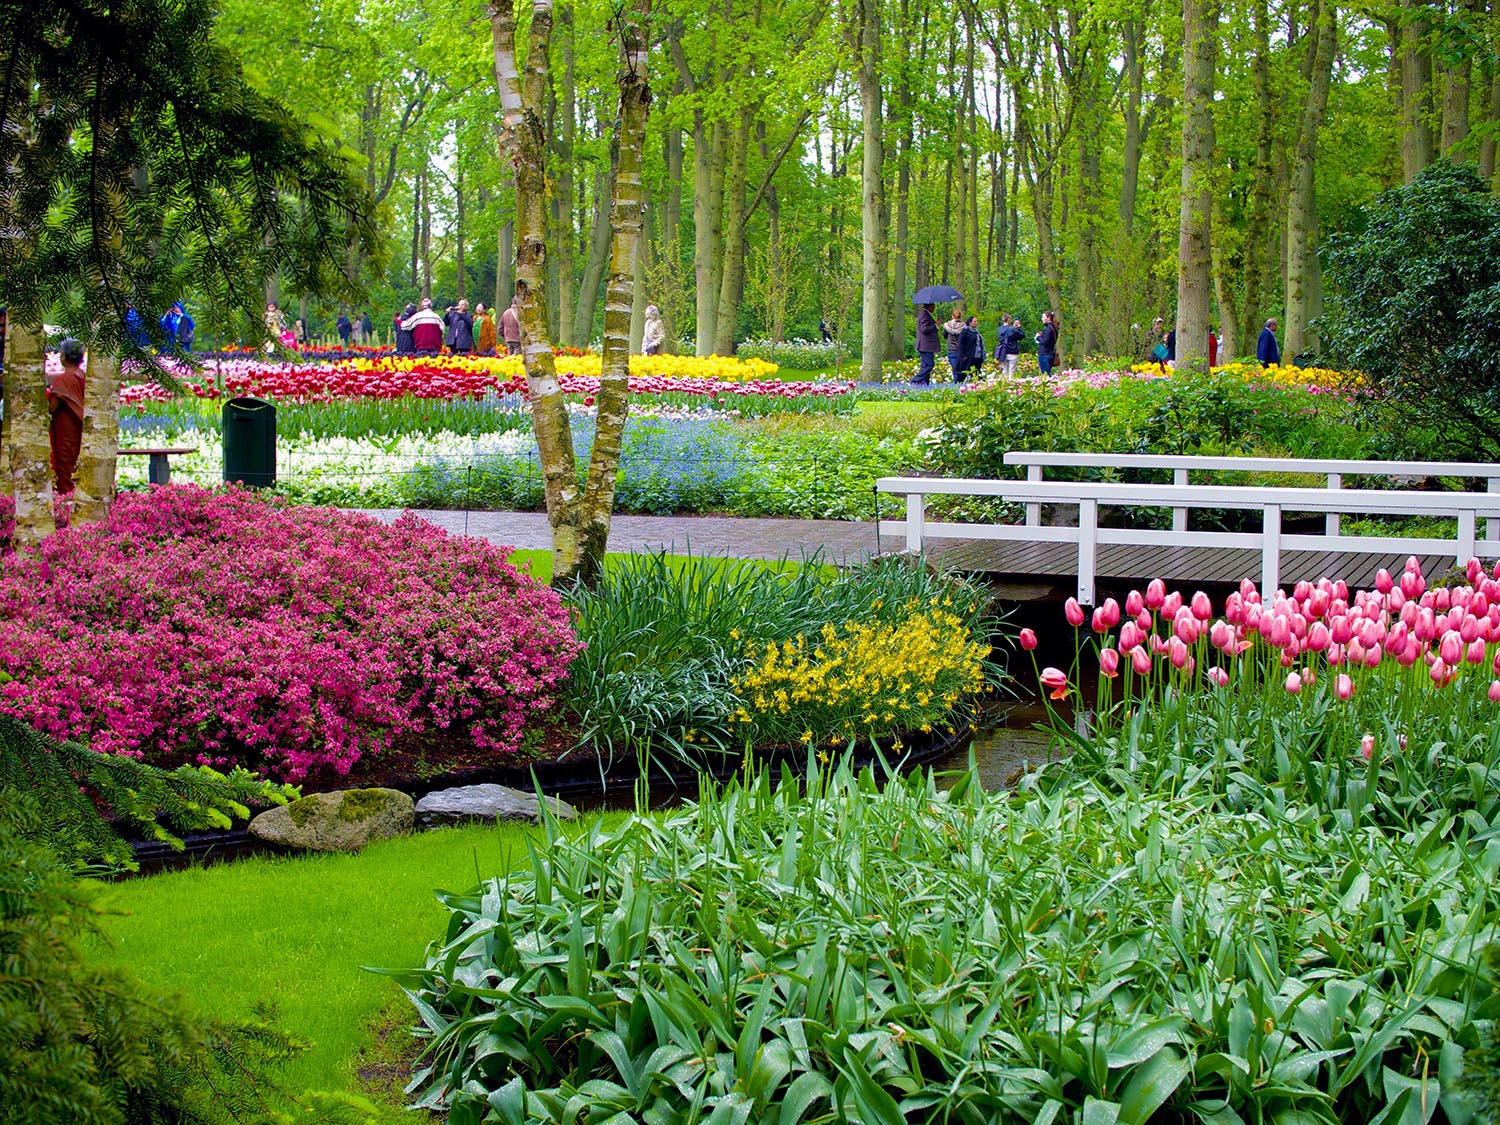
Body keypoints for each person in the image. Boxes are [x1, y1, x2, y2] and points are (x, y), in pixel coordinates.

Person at [47, 338, 86, 502]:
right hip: (81, 429)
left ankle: (67, 501)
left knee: (66, 467)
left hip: (66, 431)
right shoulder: (84, 376)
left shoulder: (65, 379)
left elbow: (52, 407)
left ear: (64, 356)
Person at [914, 303, 939, 385]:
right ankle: (915, 381)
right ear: (929, 307)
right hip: (926, 345)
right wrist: (935, 325)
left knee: (925, 365)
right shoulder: (924, 315)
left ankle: (924, 384)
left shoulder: (925, 315)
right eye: (933, 306)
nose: (934, 308)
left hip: (927, 346)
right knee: (929, 365)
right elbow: (924, 329)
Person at [956, 315, 984, 384]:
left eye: (977, 321)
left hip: (977, 356)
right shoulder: (965, 332)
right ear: (970, 322)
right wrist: (962, 355)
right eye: (975, 321)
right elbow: (960, 344)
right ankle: (958, 385)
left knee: (976, 374)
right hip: (968, 357)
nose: (976, 323)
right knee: (963, 373)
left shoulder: (977, 333)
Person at [943, 309, 966, 381]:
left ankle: (955, 383)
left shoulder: (947, 326)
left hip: (951, 349)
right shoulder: (964, 326)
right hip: (961, 350)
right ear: (960, 316)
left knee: (954, 368)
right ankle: (958, 383)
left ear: (952, 316)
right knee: (960, 368)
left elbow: (945, 336)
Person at [1037, 311, 1059, 375]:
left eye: (1043, 317)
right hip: (1051, 353)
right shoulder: (1054, 328)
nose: (1042, 319)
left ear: (1048, 318)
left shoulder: (1048, 329)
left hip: (1045, 354)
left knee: (1045, 375)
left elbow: (1044, 341)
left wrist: (1038, 337)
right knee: (1047, 373)